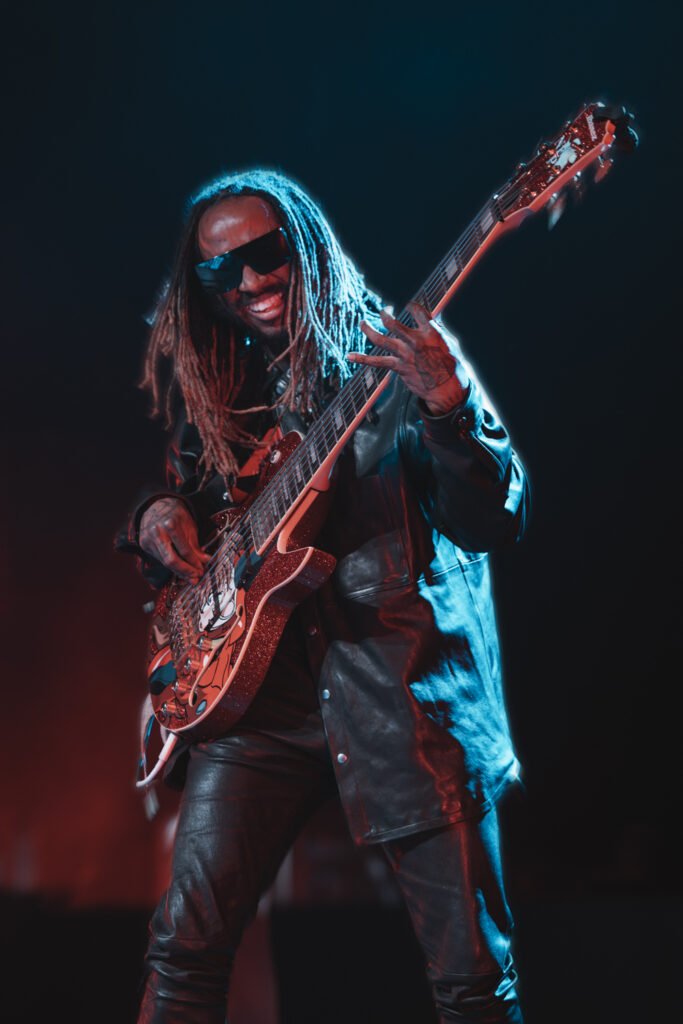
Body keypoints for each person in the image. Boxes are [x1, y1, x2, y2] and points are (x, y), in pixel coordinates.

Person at [117, 168, 529, 1023]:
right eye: (219, 271)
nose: (248, 282)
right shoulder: (227, 391)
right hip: (259, 705)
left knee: (470, 984)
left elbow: (495, 517)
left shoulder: (399, 359)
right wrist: (155, 514)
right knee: (182, 955)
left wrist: (448, 403)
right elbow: (191, 507)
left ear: (305, 245)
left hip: (403, 700)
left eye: (265, 253)